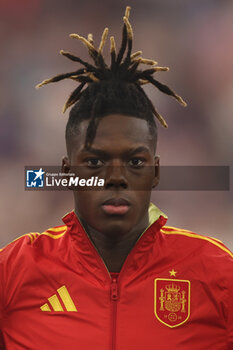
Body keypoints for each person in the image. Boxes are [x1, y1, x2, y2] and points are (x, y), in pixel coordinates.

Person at [0, 6, 232, 350]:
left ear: (154, 172)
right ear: (67, 173)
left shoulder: (216, 274)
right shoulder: (14, 273)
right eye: (94, 162)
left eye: (134, 161)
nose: (115, 179)